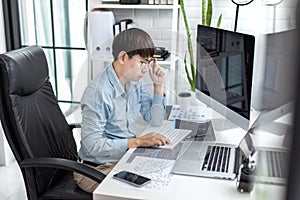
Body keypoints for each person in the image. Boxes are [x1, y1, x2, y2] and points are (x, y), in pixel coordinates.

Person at [74, 28, 170, 192]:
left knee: (164, 175)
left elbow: (154, 119)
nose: (146, 69)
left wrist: (158, 85)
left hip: (122, 159)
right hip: (95, 170)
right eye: (142, 62)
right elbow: (92, 145)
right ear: (123, 57)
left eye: (148, 62)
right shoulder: (99, 92)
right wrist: (138, 142)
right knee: (147, 191)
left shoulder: (134, 81)